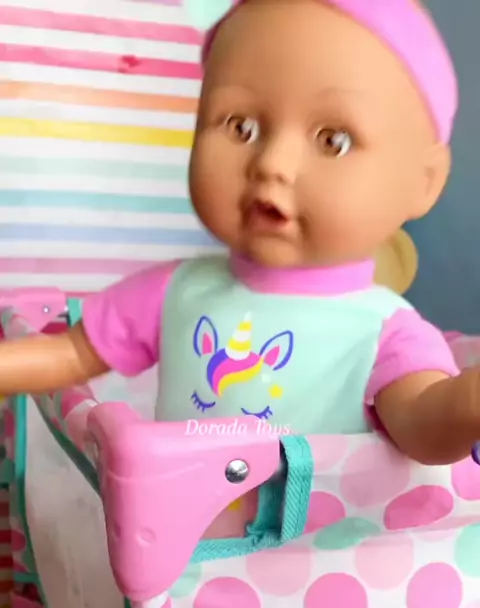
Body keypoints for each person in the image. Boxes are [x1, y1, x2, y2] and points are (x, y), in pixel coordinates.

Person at [0, 0, 474, 464]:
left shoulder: (383, 330)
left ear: (424, 181)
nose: (273, 163)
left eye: (334, 141)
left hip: (310, 521)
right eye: (240, 126)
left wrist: (464, 403)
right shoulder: (179, 290)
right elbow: (73, 354)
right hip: (175, 518)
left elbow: (422, 423)